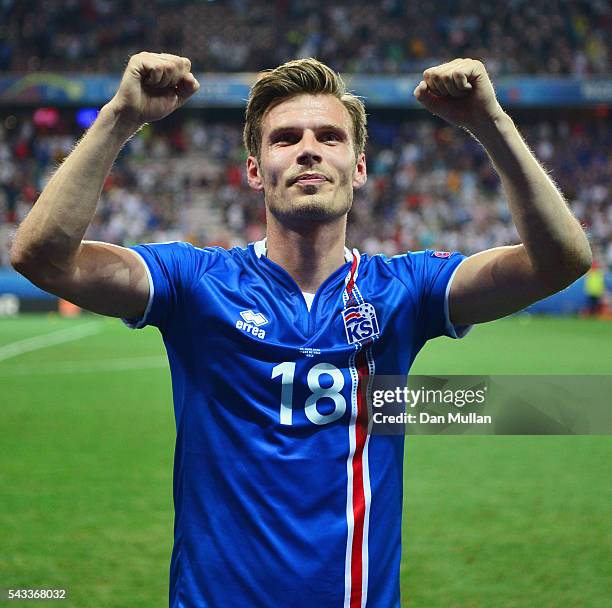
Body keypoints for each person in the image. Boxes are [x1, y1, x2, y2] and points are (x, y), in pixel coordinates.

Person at [11, 53, 591, 607]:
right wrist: (120, 116)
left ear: (359, 167)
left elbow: (560, 260)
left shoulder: (404, 291)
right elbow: (42, 256)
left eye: (329, 137)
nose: (308, 151)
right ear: (255, 170)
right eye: (286, 138)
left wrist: (490, 122)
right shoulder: (196, 283)